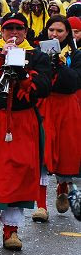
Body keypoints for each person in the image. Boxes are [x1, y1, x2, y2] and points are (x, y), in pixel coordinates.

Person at [0, 13, 51, 250]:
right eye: (8, 28)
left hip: (23, 120)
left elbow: (43, 88)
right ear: (2, 31)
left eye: (19, 28)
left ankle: (11, 231)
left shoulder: (37, 56)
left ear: (26, 31)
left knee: (19, 171)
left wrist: (24, 73)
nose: (13, 33)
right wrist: (0, 56)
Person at [33, 16, 81, 223]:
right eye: (51, 30)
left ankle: (62, 186)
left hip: (67, 106)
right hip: (45, 104)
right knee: (42, 153)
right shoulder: (36, 52)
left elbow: (74, 83)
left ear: (67, 33)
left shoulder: (76, 55)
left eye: (60, 31)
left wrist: (60, 65)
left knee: (65, 152)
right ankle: (41, 206)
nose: (55, 34)